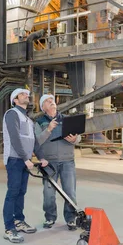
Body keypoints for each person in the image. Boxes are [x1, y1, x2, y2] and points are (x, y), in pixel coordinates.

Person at [2, 88, 48, 243]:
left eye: (27, 94)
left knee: (21, 192)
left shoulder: (28, 119)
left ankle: (19, 221)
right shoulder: (12, 114)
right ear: (15, 100)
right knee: (13, 193)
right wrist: (24, 158)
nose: (26, 96)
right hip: (15, 160)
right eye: (22, 94)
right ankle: (9, 228)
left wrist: (41, 157)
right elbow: (15, 138)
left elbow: (33, 140)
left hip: (24, 161)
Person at [34, 94, 81, 230]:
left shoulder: (67, 119)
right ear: (43, 107)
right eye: (48, 101)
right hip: (49, 163)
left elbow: (78, 138)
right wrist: (48, 129)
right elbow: (36, 142)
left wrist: (74, 140)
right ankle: (50, 218)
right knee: (49, 193)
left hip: (68, 161)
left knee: (70, 191)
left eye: (52, 100)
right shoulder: (39, 122)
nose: (51, 102)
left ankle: (71, 218)